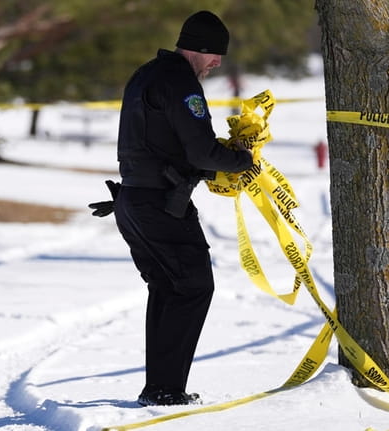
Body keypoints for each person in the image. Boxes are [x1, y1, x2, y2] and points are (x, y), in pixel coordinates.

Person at [89, 10, 254, 406]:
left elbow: (164, 143)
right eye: (216, 55)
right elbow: (200, 149)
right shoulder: (181, 82)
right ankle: (164, 389)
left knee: (168, 288)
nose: (217, 63)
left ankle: (161, 388)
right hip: (161, 204)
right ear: (199, 49)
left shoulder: (146, 73)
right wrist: (243, 160)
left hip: (133, 200)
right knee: (194, 287)